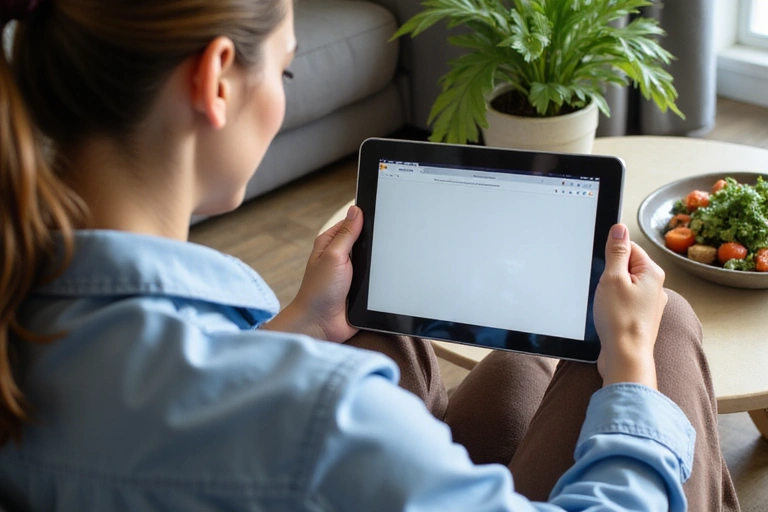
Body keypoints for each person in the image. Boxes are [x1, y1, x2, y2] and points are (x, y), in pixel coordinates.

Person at [0, 0, 740, 510]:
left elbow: (166, 410)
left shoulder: (22, 305)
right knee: (663, 322)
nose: (283, 93)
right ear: (216, 78)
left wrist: (298, 326)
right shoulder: (319, 414)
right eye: (285, 71)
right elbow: (282, 423)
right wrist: (636, 365)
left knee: (489, 359)